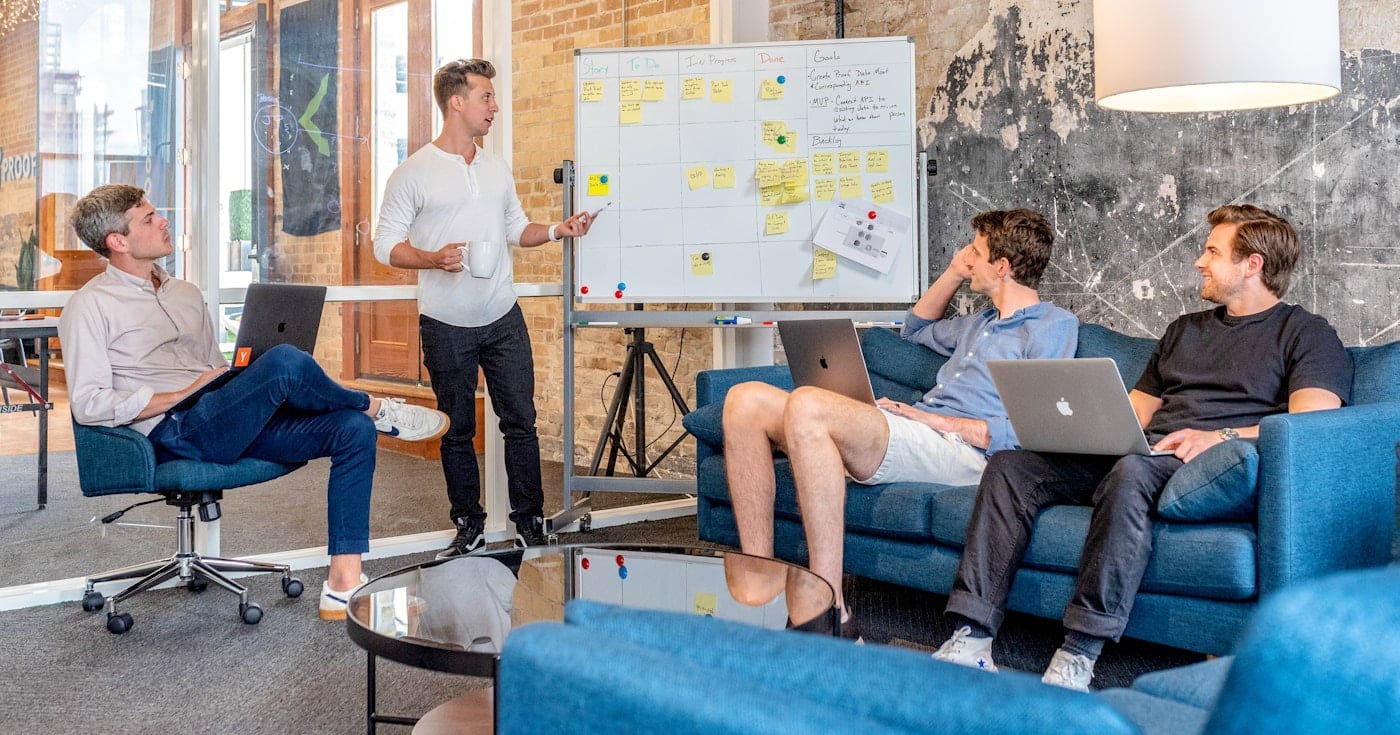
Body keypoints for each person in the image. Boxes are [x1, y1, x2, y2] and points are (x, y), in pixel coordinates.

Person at [933, 204, 1352, 690]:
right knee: (1011, 465)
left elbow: (1312, 422)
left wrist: (1219, 436)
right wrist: (1079, 429)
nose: (1199, 261)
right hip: (1145, 454)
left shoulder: (1306, 333)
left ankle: (1079, 652)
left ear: (1252, 264)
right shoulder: (1185, 329)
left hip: (1210, 464)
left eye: (1213, 251)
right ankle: (972, 637)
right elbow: (1133, 412)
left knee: (1130, 471)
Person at [60, 184, 450, 621]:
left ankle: (343, 583)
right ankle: (374, 407)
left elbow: (212, 368)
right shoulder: (89, 306)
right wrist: (181, 393)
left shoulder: (184, 293)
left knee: (349, 430)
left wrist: (234, 378)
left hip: (220, 416)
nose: (164, 221)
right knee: (285, 362)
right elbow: (89, 404)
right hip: (175, 430)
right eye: (149, 218)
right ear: (118, 241)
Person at [722, 209, 1079, 632]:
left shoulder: (1052, 327)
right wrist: (952, 272)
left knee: (808, 405)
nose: (966, 256)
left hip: (964, 453)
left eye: (975, 252)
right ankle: (761, 565)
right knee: (744, 400)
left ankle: (830, 605)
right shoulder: (978, 324)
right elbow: (914, 328)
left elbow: (1033, 429)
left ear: (1002, 267)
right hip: (920, 434)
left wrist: (937, 421)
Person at [373, 58, 594, 558]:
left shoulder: (495, 169)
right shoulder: (414, 172)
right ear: (457, 101)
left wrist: (558, 229)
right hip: (446, 322)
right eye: (486, 97)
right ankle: (468, 525)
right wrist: (433, 257)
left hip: (502, 317)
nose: (494, 106)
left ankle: (529, 522)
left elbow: (517, 229)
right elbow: (384, 246)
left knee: (520, 421)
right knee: (457, 426)